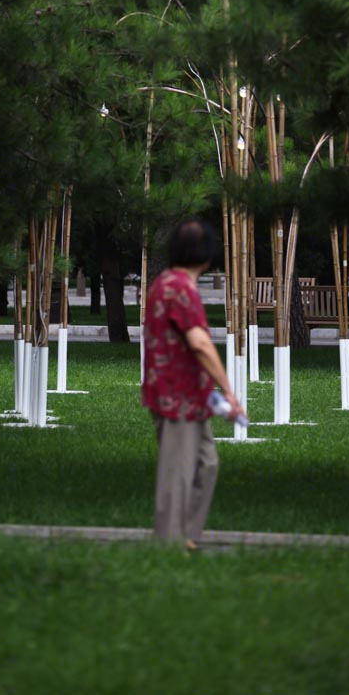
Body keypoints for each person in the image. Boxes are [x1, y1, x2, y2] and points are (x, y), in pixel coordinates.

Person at [141, 219, 246, 547]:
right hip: (177, 398)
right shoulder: (181, 290)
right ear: (207, 255)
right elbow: (199, 343)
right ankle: (171, 544)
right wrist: (229, 391)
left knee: (206, 464)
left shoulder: (165, 282)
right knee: (179, 473)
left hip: (190, 396)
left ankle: (185, 534)